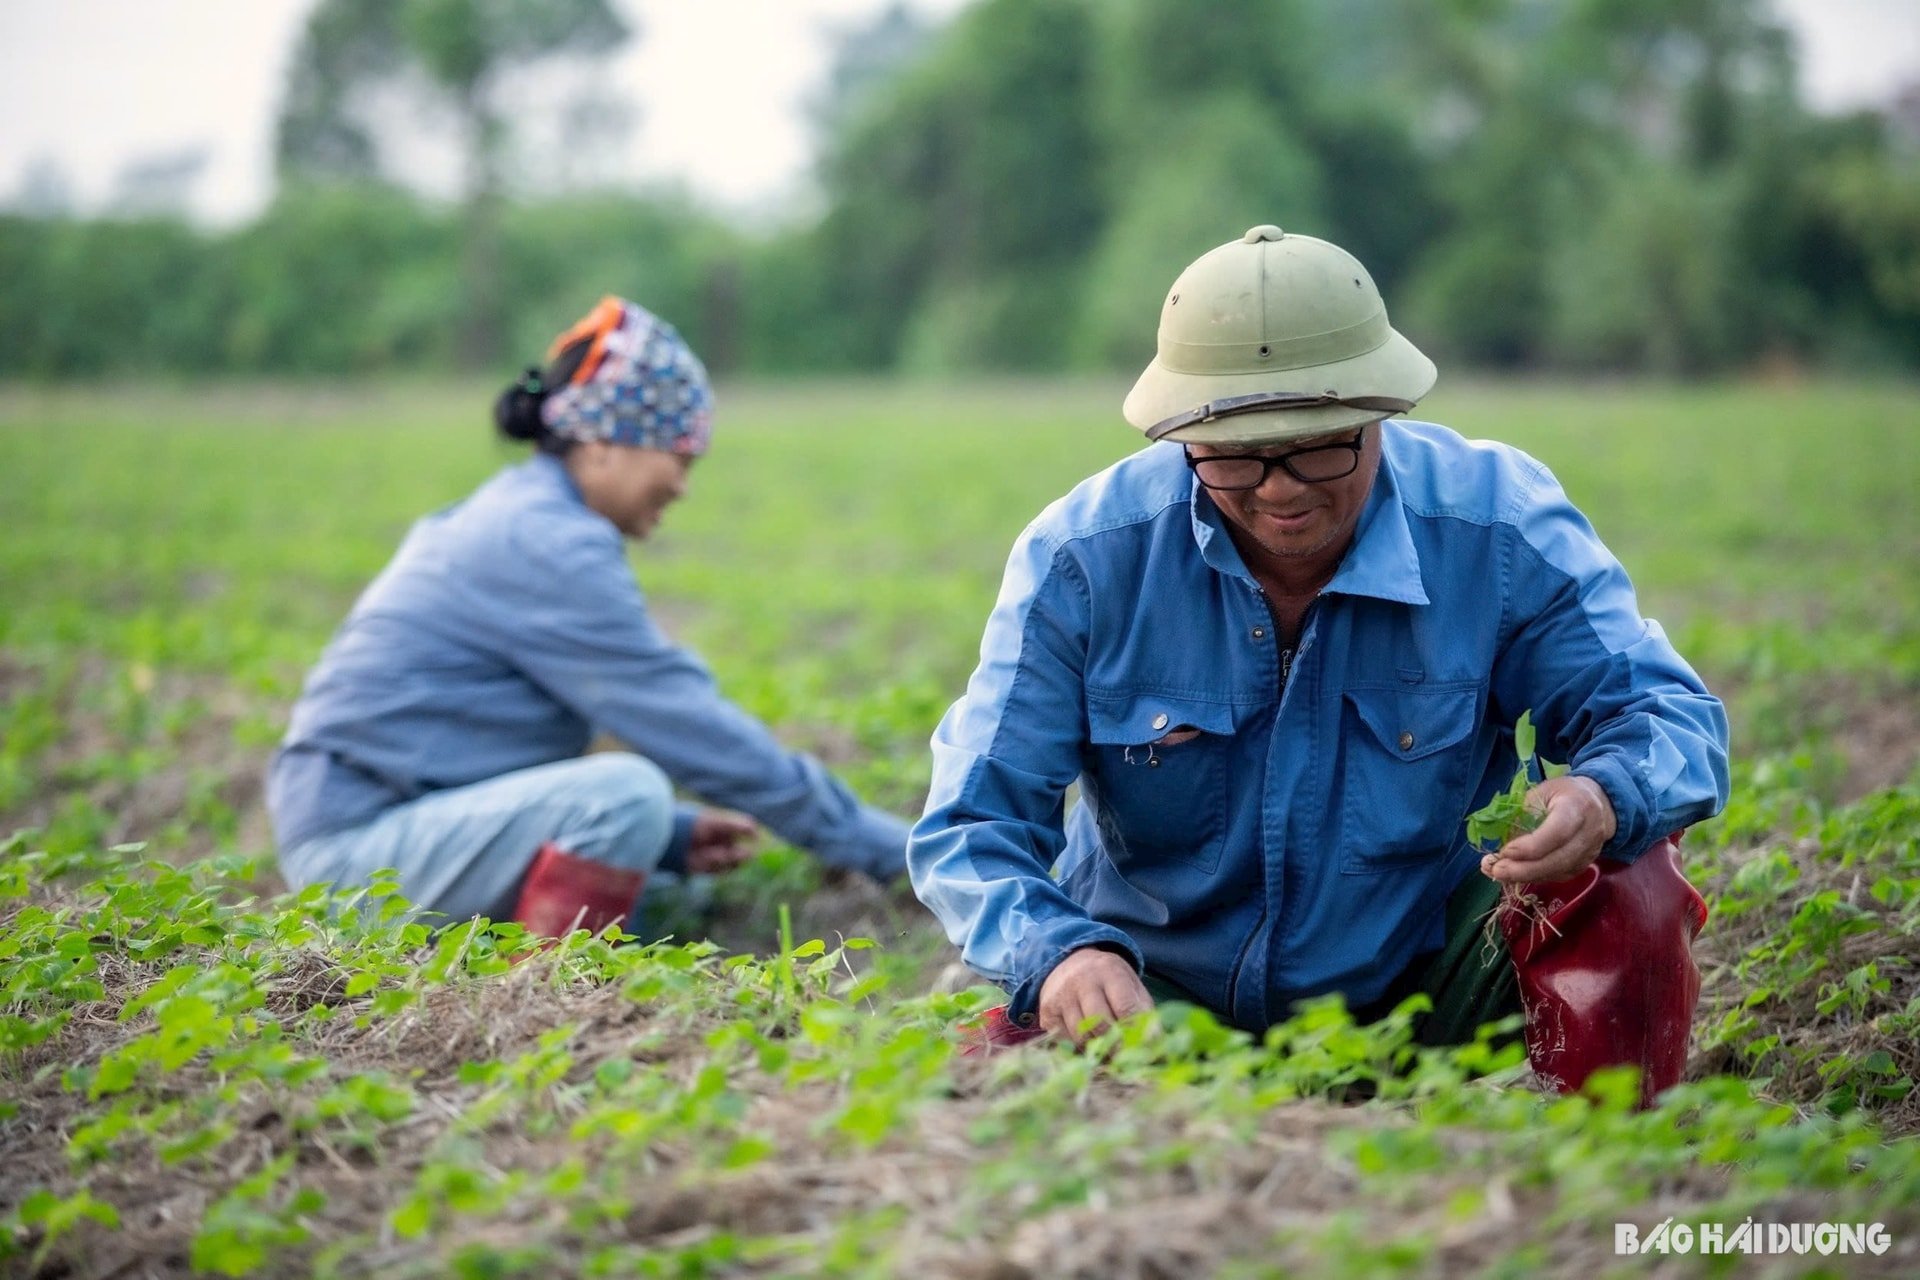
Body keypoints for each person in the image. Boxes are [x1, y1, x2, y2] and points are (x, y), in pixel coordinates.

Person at [908, 226, 1729, 1099]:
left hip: (1426, 992)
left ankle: (1603, 1156)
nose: (1279, 488)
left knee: (1629, 874)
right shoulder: (1084, 559)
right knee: (999, 1086)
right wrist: (1061, 954)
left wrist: (1599, 796)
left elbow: (1664, 714)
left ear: (1379, 410)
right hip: (1156, 1001)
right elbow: (970, 822)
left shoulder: (1498, 526)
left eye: (1317, 447)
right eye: (1235, 456)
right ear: (1179, 432)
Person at [268, 296, 910, 938]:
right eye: (680, 457)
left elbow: (474, 746)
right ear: (604, 443)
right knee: (627, 795)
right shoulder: (544, 541)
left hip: (386, 833)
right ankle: (547, 1000)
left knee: (665, 893)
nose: (684, 485)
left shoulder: (524, 516)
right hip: (355, 859)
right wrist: (886, 849)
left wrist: (668, 836)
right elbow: (690, 727)